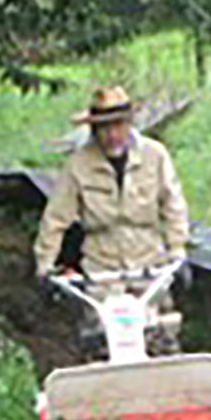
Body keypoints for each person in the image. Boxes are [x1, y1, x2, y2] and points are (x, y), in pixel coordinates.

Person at [35, 81, 192, 333]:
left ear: (129, 124)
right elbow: (55, 219)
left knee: (161, 336)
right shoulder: (78, 165)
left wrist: (177, 252)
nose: (111, 134)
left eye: (117, 125)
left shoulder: (155, 156)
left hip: (149, 266)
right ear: (93, 130)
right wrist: (44, 266)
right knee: (101, 338)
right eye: (103, 128)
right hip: (102, 272)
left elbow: (173, 205)